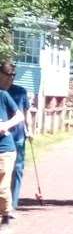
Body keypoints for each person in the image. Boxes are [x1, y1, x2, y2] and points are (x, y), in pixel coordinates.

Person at [0, 62, 30, 216]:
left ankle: (13, 203)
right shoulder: (2, 93)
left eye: (13, 76)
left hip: (17, 137)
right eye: (8, 75)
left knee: (17, 169)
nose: (11, 79)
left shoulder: (20, 92)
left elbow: (25, 112)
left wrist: (29, 129)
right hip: (4, 139)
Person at [0, 82, 25, 234]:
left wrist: (5, 126)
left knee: (2, 187)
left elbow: (20, 116)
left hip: (4, 149)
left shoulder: (2, 95)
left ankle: (6, 217)